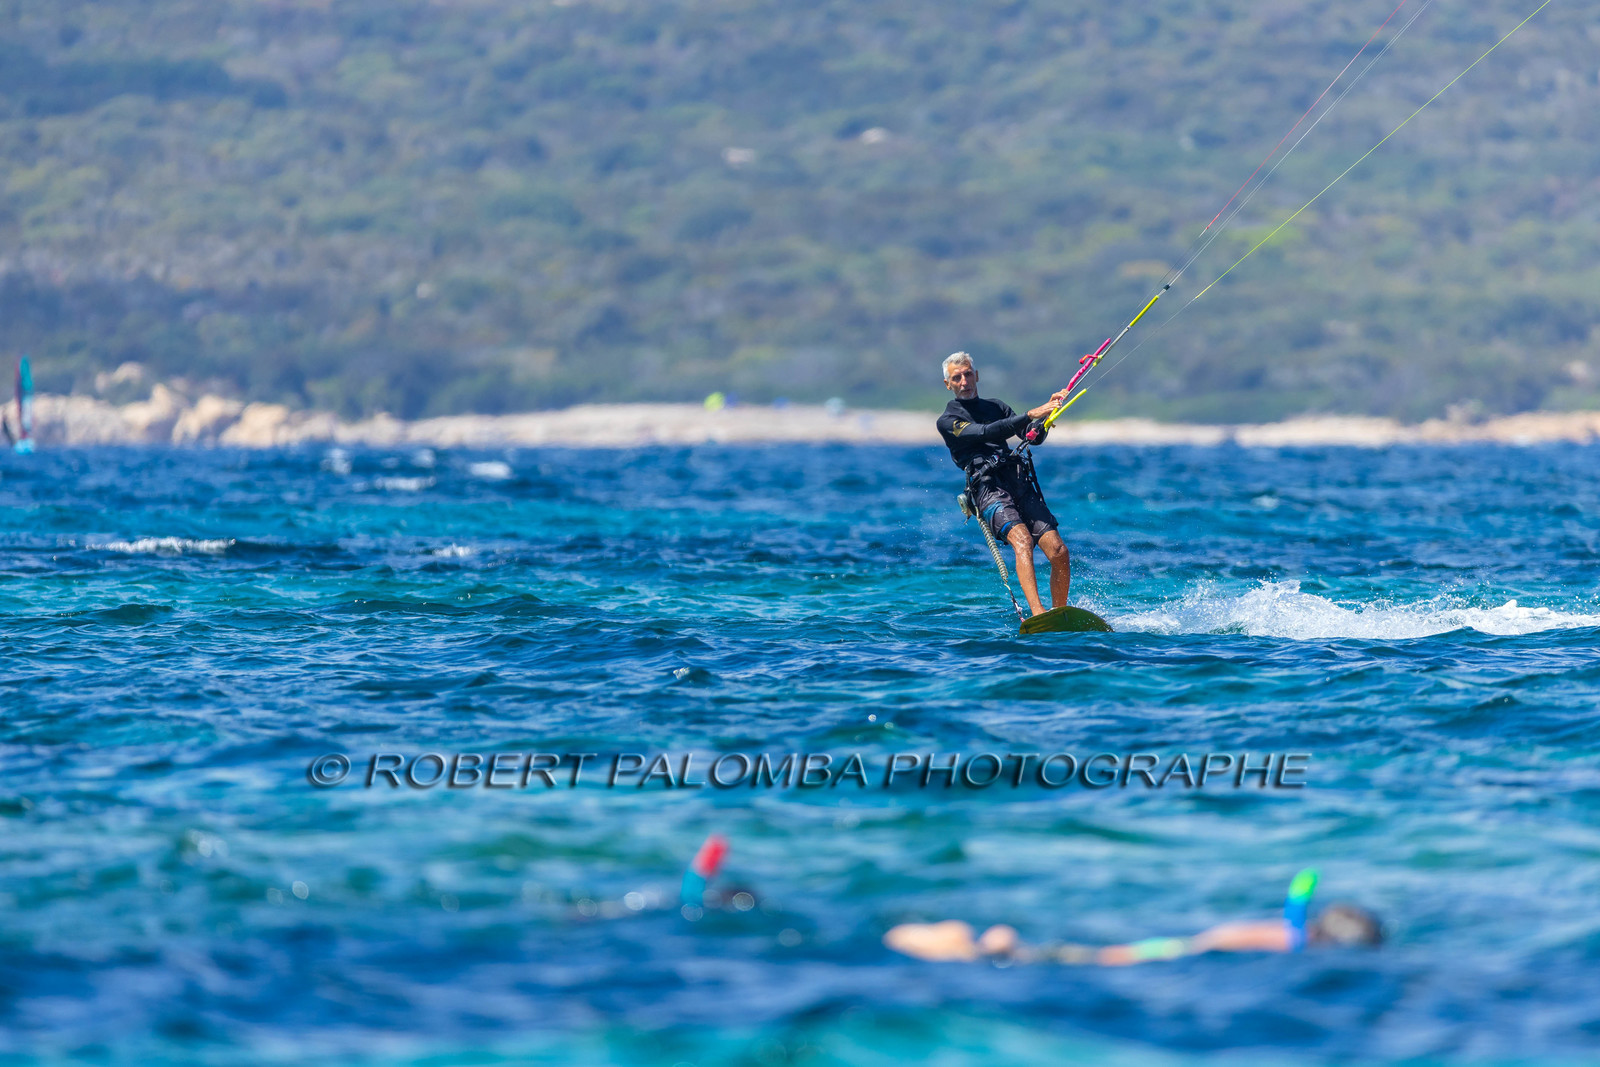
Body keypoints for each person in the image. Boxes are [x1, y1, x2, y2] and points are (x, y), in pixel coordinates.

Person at [884, 870, 1382, 965]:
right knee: (1074, 959)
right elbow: (1295, 921)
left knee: (1074, 956)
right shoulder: (1295, 942)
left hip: (1172, 947)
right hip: (1166, 953)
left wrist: (1304, 886)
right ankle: (975, 948)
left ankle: (986, 945)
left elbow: (1295, 906)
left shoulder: (1293, 932)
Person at [936, 352, 1073, 616]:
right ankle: (1037, 613)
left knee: (1058, 550)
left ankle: (1060, 613)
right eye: (956, 378)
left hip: (1018, 481)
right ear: (948, 384)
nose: (964, 381)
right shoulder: (948, 421)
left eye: (967, 374)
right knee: (1021, 540)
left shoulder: (996, 406)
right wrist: (1032, 412)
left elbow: (1031, 437)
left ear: (976, 375)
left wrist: (1043, 418)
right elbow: (986, 432)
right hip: (987, 489)